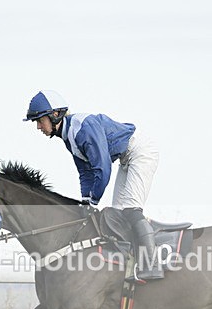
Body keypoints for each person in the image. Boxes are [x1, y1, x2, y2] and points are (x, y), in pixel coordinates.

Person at [24, 90, 162, 280]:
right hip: (126, 157)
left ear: (55, 115)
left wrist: (94, 200)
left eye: (40, 120)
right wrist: (85, 201)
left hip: (140, 151)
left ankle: (152, 265)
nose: (38, 127)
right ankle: (132, 262)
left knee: (130, 209)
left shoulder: (82, 128)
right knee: (118, 213)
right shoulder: (69, 136)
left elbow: (102, 168)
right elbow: (85, 173)